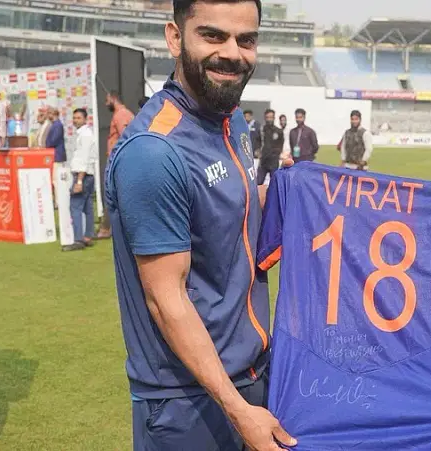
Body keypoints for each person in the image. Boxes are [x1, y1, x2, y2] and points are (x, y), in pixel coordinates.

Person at [103, 0, 295, 449]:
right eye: (213, 35)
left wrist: (320, 198)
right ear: (175, 37)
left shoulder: (230, 123)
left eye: (246, 40)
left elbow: (234, 214)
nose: (232, 53)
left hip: (249, 379)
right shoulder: (154, 152)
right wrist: (238, 410)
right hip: (189, 403)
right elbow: (166, 299)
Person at [97, 90, 135, 240]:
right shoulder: (125, 114)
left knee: (112, 194)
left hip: (118, 161)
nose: (106, 104)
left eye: (107, 100)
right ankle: (108, 227)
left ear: (113, 99)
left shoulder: (121, 115)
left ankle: (106, 228)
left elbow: (125, 136)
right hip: (120, 160)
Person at [64, 108, 97, 252]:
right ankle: (88, 236)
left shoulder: (85, 135)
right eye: (74, 118)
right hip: (87, 175)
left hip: (82, 175)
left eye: (78, 118)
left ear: (85, 119)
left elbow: (83, 159)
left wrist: (79, 181)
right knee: (87, 207)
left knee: (75, 207)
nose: (75, 120)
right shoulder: (85, 134)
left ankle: (78, 239)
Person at [256, 108, 284, 184]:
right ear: (265, 118)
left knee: (274, 183)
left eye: (271, 117)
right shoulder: (261, 130)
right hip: (263, 161)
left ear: (274, 118)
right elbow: (257, 141)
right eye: (267, 117)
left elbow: (280, 145)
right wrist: (258, 151)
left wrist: (276, 154)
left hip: (274, 161)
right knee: (258, 182)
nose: (269, 119)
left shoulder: (279, 131)